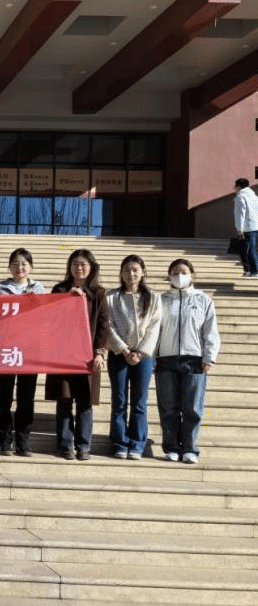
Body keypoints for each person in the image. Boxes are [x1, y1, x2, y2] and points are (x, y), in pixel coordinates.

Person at [45, 249, 110, 461]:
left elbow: (103, 325)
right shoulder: (60, 289)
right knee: (64, 400)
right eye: (75, 264)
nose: (79, 268)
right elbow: (50, 318)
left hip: (87, 356)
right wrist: (67, 298)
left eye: (83, 264)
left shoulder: (99, 293)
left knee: (85, 402)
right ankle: (65, 445)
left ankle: (83, 446)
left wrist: (99, 352)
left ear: (91, 268)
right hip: (63, 354)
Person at [155, 258, 220, 464]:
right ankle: (172, 447)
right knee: (168, 407)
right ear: (169, 276)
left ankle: (190, 448)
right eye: (175, 272)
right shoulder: (161, 300)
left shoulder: (203, 300)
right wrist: (153, 356)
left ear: (192, 275)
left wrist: (209, 357)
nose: (179, 276)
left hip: (194, 360)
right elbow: (154, 331)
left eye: (183, 272)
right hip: (166, 360)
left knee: (192, 408)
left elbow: (210, 331)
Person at [107, 255, 162, 460]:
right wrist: (124, 350)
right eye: (127, 270)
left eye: (135, 270)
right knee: (119, 401)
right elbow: (108, 325)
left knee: (139, 402)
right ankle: (120, 443)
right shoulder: (111, 297)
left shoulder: (153, 298)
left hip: (144, 357)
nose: (131, 274)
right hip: (118, 355)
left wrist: (140, 352)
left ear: (143, 272)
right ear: (121, 273)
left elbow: (154, 327)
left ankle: (137, 444)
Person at [0, 248, 46, 456]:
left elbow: (45, 316)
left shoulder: (38, 288)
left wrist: (36, 302)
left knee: (26, 397)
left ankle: (23, 441)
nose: (19, 267)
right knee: (3, 396)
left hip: (29, 350)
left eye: (24, 264)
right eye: (15, 264)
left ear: (31, 267)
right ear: (9, 267)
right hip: (5, 348)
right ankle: (4, 441)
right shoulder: (0, 287)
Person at [234, 177, 258, 278]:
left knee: (247, 251)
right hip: (255, 226)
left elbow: (240, 214)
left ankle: (254, 271)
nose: (234, 188)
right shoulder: (254, 196)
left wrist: (239, 229)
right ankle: (249, 270)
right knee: (250, 250)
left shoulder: (241, 197)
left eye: (235, 185)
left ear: (239, 186)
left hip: (247, 228)